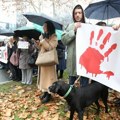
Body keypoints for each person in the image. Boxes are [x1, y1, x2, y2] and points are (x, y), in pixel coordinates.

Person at [61, 4, 89, 87]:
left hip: (85, 60)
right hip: (73, 60)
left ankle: (83, 99)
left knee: (84, 85)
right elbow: (64, 40)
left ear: (82, 14)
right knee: (71, 86)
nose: (77, 15)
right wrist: (74, 30)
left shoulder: (88, 27)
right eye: (75, 13)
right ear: (73, 15)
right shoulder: (70, 26)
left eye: (79, 13)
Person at [36, 21, 58, 104]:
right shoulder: (42, 35)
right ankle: (45, 92)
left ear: (49, 27)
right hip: (43, 59)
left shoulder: (53, 36)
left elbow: (50, 47)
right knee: (43, 78)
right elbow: (40, 48)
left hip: (49, 61)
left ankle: (49, 94)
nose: (43, 27)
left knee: (49, 78)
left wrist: (43, 41)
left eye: (45, 26)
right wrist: (38, 43)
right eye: (43, 26)